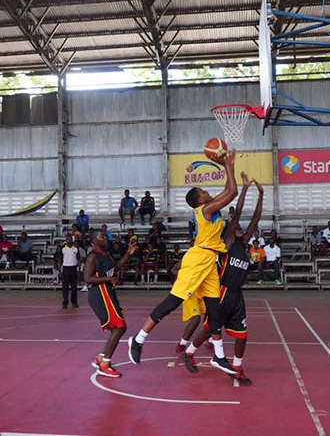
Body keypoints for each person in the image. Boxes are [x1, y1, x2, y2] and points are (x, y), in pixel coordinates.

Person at [128, 150, 239, 374]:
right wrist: (227, 163)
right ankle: (138, 339)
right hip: (197, 259)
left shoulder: (211, 206)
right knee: (172, 302)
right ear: (200, 199)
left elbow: (229, 190)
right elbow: (233, 191)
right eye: (204, 190)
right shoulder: (205, 210)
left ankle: (218, 356)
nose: (209, 191)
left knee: (214, 310)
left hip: (210, 261)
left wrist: (230, 166)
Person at [181, 173, 263, 385]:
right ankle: (189, 352)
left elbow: (255, 219)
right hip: (222, 291)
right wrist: (244, 188)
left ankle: (237, 367)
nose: (241, 228)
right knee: (209, 329)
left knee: (241, 335)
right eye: (236, 225)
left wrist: (261, 195)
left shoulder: (244, 245)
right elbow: (239, 214)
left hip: (237, 296)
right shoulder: (226, 244)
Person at [84, 229, 137, 378]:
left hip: (107, 292)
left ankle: (101, 358)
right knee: (120, 327)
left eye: (105, 236)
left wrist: (128, 253)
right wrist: (107, 279)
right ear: (94, 241)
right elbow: (87, 279)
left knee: (118, 328)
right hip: (100, 293)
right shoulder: (92, 257)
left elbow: (116, 267)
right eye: (101, 237)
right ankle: (105, 364)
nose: (105, 238)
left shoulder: (106, 254)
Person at [58, 234, 81, 308]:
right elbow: (60, 260)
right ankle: (65, 302)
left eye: (70, 239)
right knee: (65, 287)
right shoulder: (62, 249)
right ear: (65, 240)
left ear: (72, 239)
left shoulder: (76, 248)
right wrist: (59, 271)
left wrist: (79, 270)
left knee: (74, 287)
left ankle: (74, 302)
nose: (69, 240)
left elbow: (79, 259)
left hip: (73, 268)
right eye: (67, 239)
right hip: (65, 268)